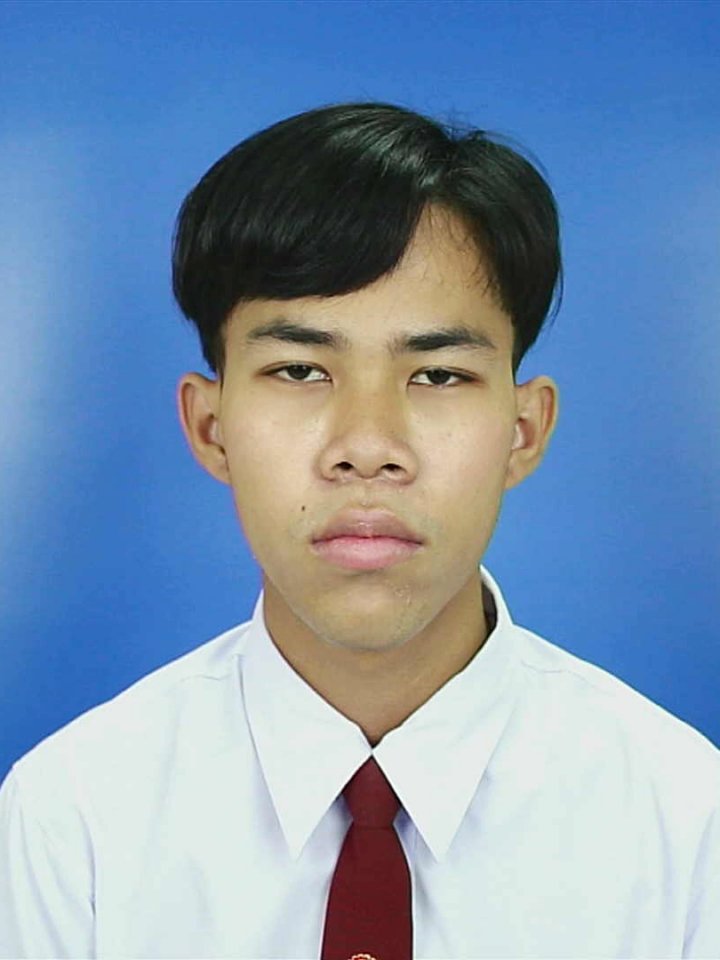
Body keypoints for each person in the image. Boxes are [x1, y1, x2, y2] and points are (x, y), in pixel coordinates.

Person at [0, 101, 718, 960]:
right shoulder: (71, 820)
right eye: (300, 369)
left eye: (438, 375)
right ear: (211, 428)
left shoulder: (687, 825)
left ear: (524, 431)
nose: (368, 446)